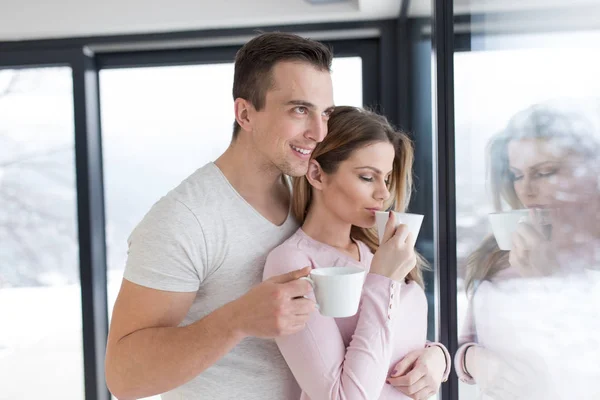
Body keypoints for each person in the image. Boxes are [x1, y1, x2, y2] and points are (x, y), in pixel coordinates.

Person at [104, 32, 336, 400]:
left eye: (325, 113)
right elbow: (124, 377)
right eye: (299, 110)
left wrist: (430, 357)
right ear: (245, 113)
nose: (319, 132)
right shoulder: (183, 220)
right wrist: (236, 320)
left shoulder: (311, 194)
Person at [263, 106, 451, 400]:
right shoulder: (293, 263)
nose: (384, 194)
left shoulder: (375, 250)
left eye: (386, 179)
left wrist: (437, 357)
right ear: (317, 174)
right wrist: (383, 279)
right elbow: (343, 396)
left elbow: (391, 339)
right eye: (367, 177)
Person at [454, 101, 600, 399]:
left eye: (545, 172)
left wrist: (550, 280)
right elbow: (466, 345)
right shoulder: (499, 249)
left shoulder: (590, 256)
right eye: (518, 175)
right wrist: (478, 362)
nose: (526, 190)